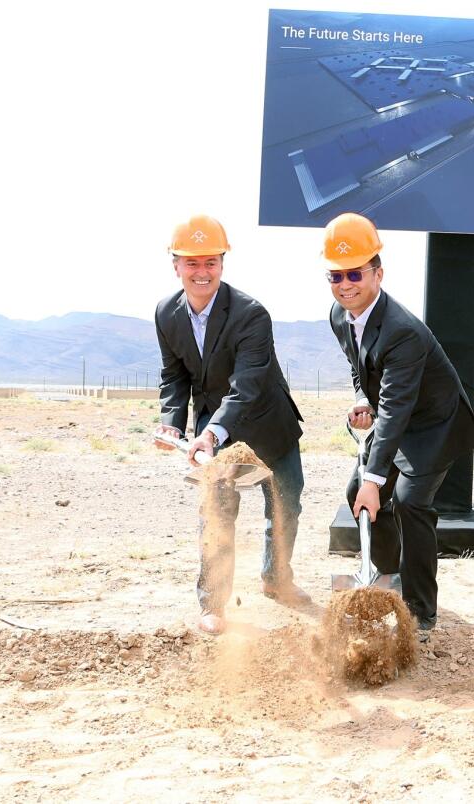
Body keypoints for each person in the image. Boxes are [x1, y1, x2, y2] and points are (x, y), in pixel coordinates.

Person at [324, 213, 474, 639]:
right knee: (356, 492)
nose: (345, 284)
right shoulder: (340, 317)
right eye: (336, 276)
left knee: (411, 502)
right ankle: (387, 576)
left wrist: (375, 480)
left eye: (355, 273)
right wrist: (361, 398)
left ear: (378, 273)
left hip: (433, 425)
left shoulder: (402, 331)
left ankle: (420, 611)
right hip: (397, 419)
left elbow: (394, 409)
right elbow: (362, 370)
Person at [152, 214, 306, 635]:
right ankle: (214, 603)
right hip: (213, 431)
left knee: (286, 505)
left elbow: (248, 384)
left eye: (210, 263)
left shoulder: (251, 314)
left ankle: (277, 580)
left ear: (222, 263)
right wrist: (172, 424)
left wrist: (212, 431)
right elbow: (175, 376)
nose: (202, 273)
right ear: (176, 265)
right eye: (192, 263)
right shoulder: (166, 313)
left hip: (268, 421)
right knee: (216, 513)